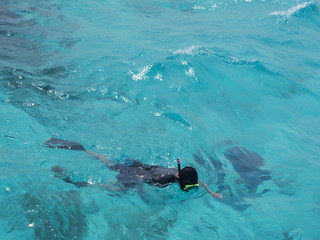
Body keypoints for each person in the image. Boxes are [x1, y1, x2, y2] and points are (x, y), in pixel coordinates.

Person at [45, 138, 223, 199]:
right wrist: (139, 190)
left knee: (105, 160)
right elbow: (142, 180)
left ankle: (82, 148)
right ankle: (69, 179)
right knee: (114, 190)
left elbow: (200, 183)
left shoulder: (180, 174)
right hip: (135, 173)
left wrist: (211, 192)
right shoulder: (164, 180)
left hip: (139, 164)